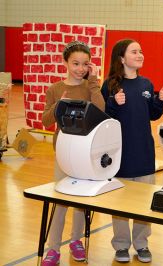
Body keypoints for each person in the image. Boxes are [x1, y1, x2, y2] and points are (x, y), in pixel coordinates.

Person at [101, 39, 163, 263]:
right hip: (118, 153)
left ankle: (141, 243)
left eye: (141, 51)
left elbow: (152, 115)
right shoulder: (110, 85)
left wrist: (160, 102)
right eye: (134, 51)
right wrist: (113, 102)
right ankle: (121, 245)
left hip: (144, 152)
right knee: (120, 202)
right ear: (121, 58)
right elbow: (103, 118)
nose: (140, 54)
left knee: (143, 201)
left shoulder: (146, 84)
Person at [41, 41, 105, 266]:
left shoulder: (91, 86)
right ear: (65, 62)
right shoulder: (55, 88)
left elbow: (101, 109)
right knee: (60, 200)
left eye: (85, 64)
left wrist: (95, 82)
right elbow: (46, 120)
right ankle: (53, 249)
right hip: (64, 153)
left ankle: (76, 241)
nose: (80, 68)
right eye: (75, 63)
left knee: (80, 201)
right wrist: (60, 103)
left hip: (85, 152)